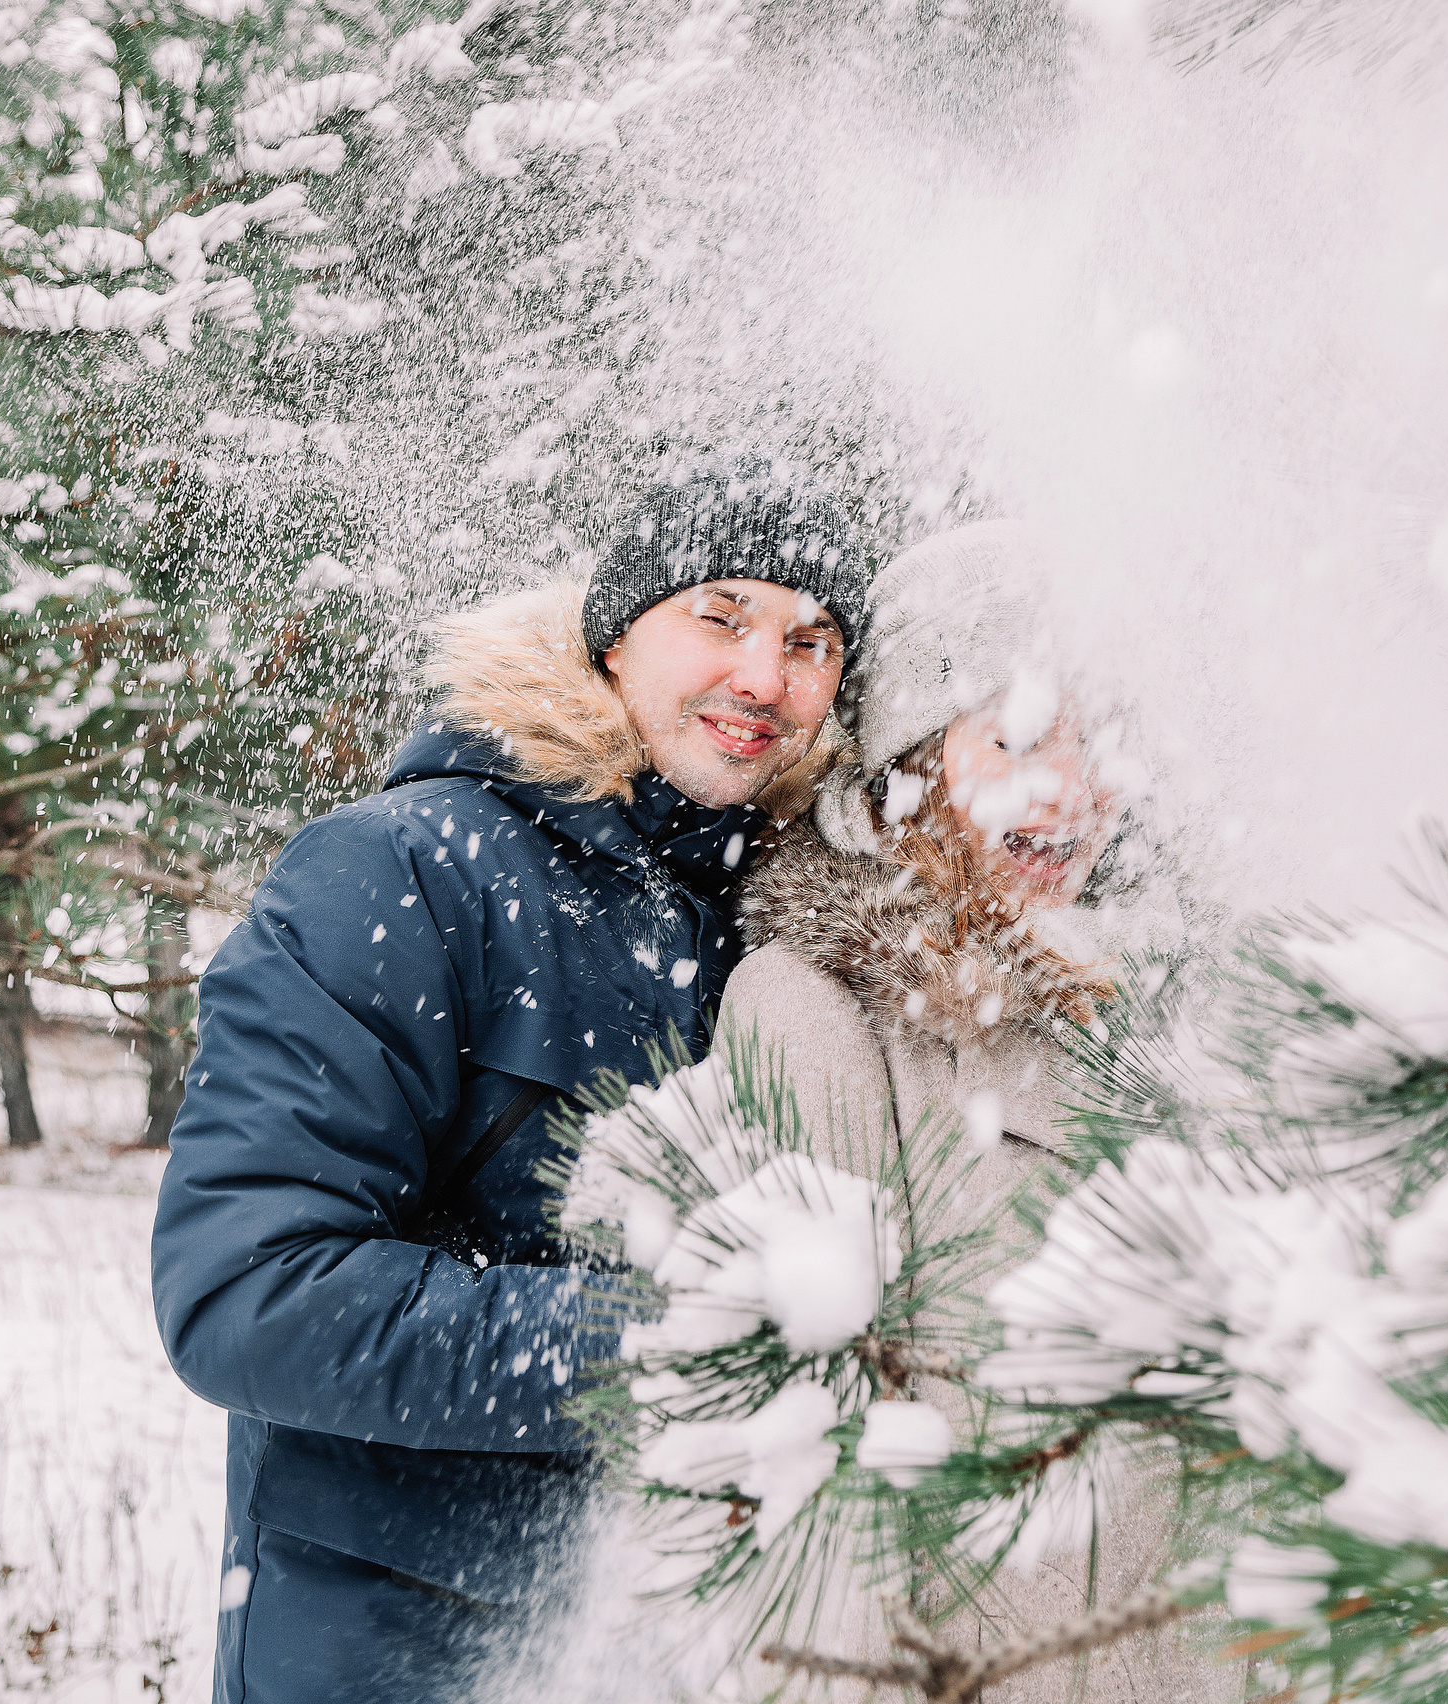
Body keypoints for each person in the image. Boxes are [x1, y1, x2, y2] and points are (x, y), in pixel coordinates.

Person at [151, 471, 878, 1704]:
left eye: (810, 643)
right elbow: (247, 1295)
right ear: (614, 634)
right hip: (393, 1650)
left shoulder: (789, 917)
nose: (764, 676)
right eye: (721, 614)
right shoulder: (402, 873)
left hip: (697, 1650)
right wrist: (671, 1346)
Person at [718, 520, 1212, 1702]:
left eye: (1105, 741)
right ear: (911, 764)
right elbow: (813, 1484)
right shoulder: (811, 1010)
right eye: (1019, 737)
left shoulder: (1172, 1009)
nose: (1073, 792)